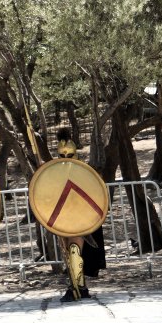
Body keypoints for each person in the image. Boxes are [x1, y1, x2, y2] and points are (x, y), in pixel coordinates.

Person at [52, 129, 106, 303]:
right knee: (69, 253)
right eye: (62, 155)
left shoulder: (85, 172)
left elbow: (95, 195)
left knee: (74, 250)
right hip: (62, 217)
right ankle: (81, 288)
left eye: (69, 155)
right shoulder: (54, 173)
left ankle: (74, 288)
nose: (66, 158)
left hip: (80, 217)